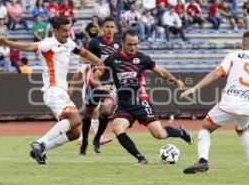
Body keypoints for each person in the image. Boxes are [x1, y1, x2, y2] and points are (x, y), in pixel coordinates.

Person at [0, 16, 103, 164]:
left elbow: (83, 52)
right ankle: (40, 143)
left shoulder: (69, 43)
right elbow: (29, 47)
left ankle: (41, 149)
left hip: (60, 91)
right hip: (53, 89)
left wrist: (98, 61)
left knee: (75, 133)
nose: (67, 34)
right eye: (64, 31)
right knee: (75, 119)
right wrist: (8, 43)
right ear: (55, 31)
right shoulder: (48, 43)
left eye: (69, 30)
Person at [91, 29, 193, 164]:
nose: (133, 47)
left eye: (135, 44)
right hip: (123, 104)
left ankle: (181, 133)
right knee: (117, 127)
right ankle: (141, 159)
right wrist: (100, 86)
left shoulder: (143, 58)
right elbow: (95, 77)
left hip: (140, 101)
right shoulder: (112, 59)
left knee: (159, 134)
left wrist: (175, 81)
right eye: (130, 44)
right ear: (122, 43)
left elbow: (161, 72)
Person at [181, 31, 249, 174]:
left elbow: (217, 73)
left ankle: (203, 161)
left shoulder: (234, 55)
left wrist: (195, 88)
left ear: (242, 45)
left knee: (205, 128)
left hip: (230, 102)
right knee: (242, 130)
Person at [78, 17, 121, 155]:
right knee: (88, 114)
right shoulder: (94, 42)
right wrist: (96, 61)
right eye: (107, 27)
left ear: (115, 29)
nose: (109, 29)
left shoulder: (119, 44)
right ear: (102, 28)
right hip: (95, 81)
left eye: (111, 27)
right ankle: (84, 141)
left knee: (107, 110)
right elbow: (82, 58)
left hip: (110, 82)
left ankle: (97, 139)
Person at [68, 59, 113, 147]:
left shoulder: (100, 63)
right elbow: (78, 73)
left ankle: (82, 138)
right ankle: (98, 137)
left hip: (98, 89)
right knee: (94, 111)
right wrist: (71, 88)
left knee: (91, 113)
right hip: (88, 90)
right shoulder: (87, 63)